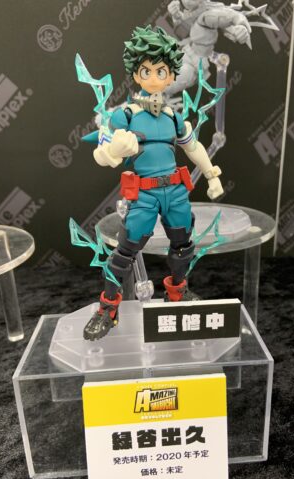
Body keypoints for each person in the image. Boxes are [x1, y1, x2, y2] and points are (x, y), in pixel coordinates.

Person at [84, 25, 223, 341]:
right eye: (146, 71)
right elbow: (102, 155)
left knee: (183, 246)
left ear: (171, 75)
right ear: (136, 74)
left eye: (161, 71)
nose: (154, 77)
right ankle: (108, 308)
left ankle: (177, 294)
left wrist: (211, 174)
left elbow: (193, 147)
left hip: (174, 191)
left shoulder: (174, 116)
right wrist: (115, 150)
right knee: (125, 252)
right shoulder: (126, 115)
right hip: (144, 194)